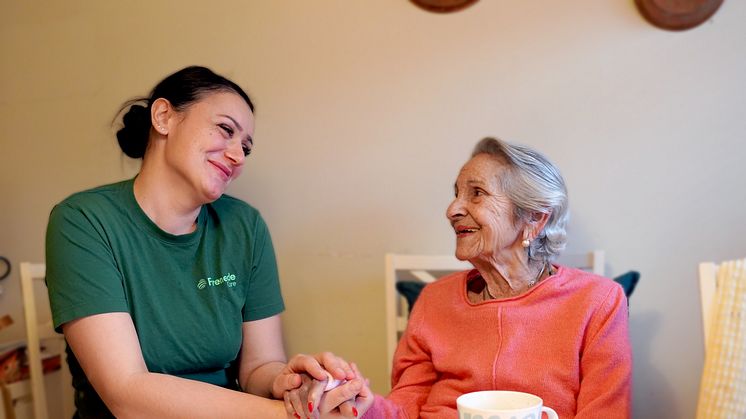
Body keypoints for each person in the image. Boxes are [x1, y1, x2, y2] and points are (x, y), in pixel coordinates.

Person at [45, 65, 365, 418]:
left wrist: (291, 386)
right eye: (225, 130)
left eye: (246, 147)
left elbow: (259, 366)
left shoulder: (245, 226)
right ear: (164, 117)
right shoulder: (83, 220)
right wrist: (286, 416)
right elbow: (127, 394)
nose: (238, 156)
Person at [289, 137, 632, 418]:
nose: (452, 210)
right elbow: (405, 408)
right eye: (456, 193)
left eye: (476, 193)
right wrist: (360, 402)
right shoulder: (435, 300)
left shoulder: (598, 301)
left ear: (534, 219)